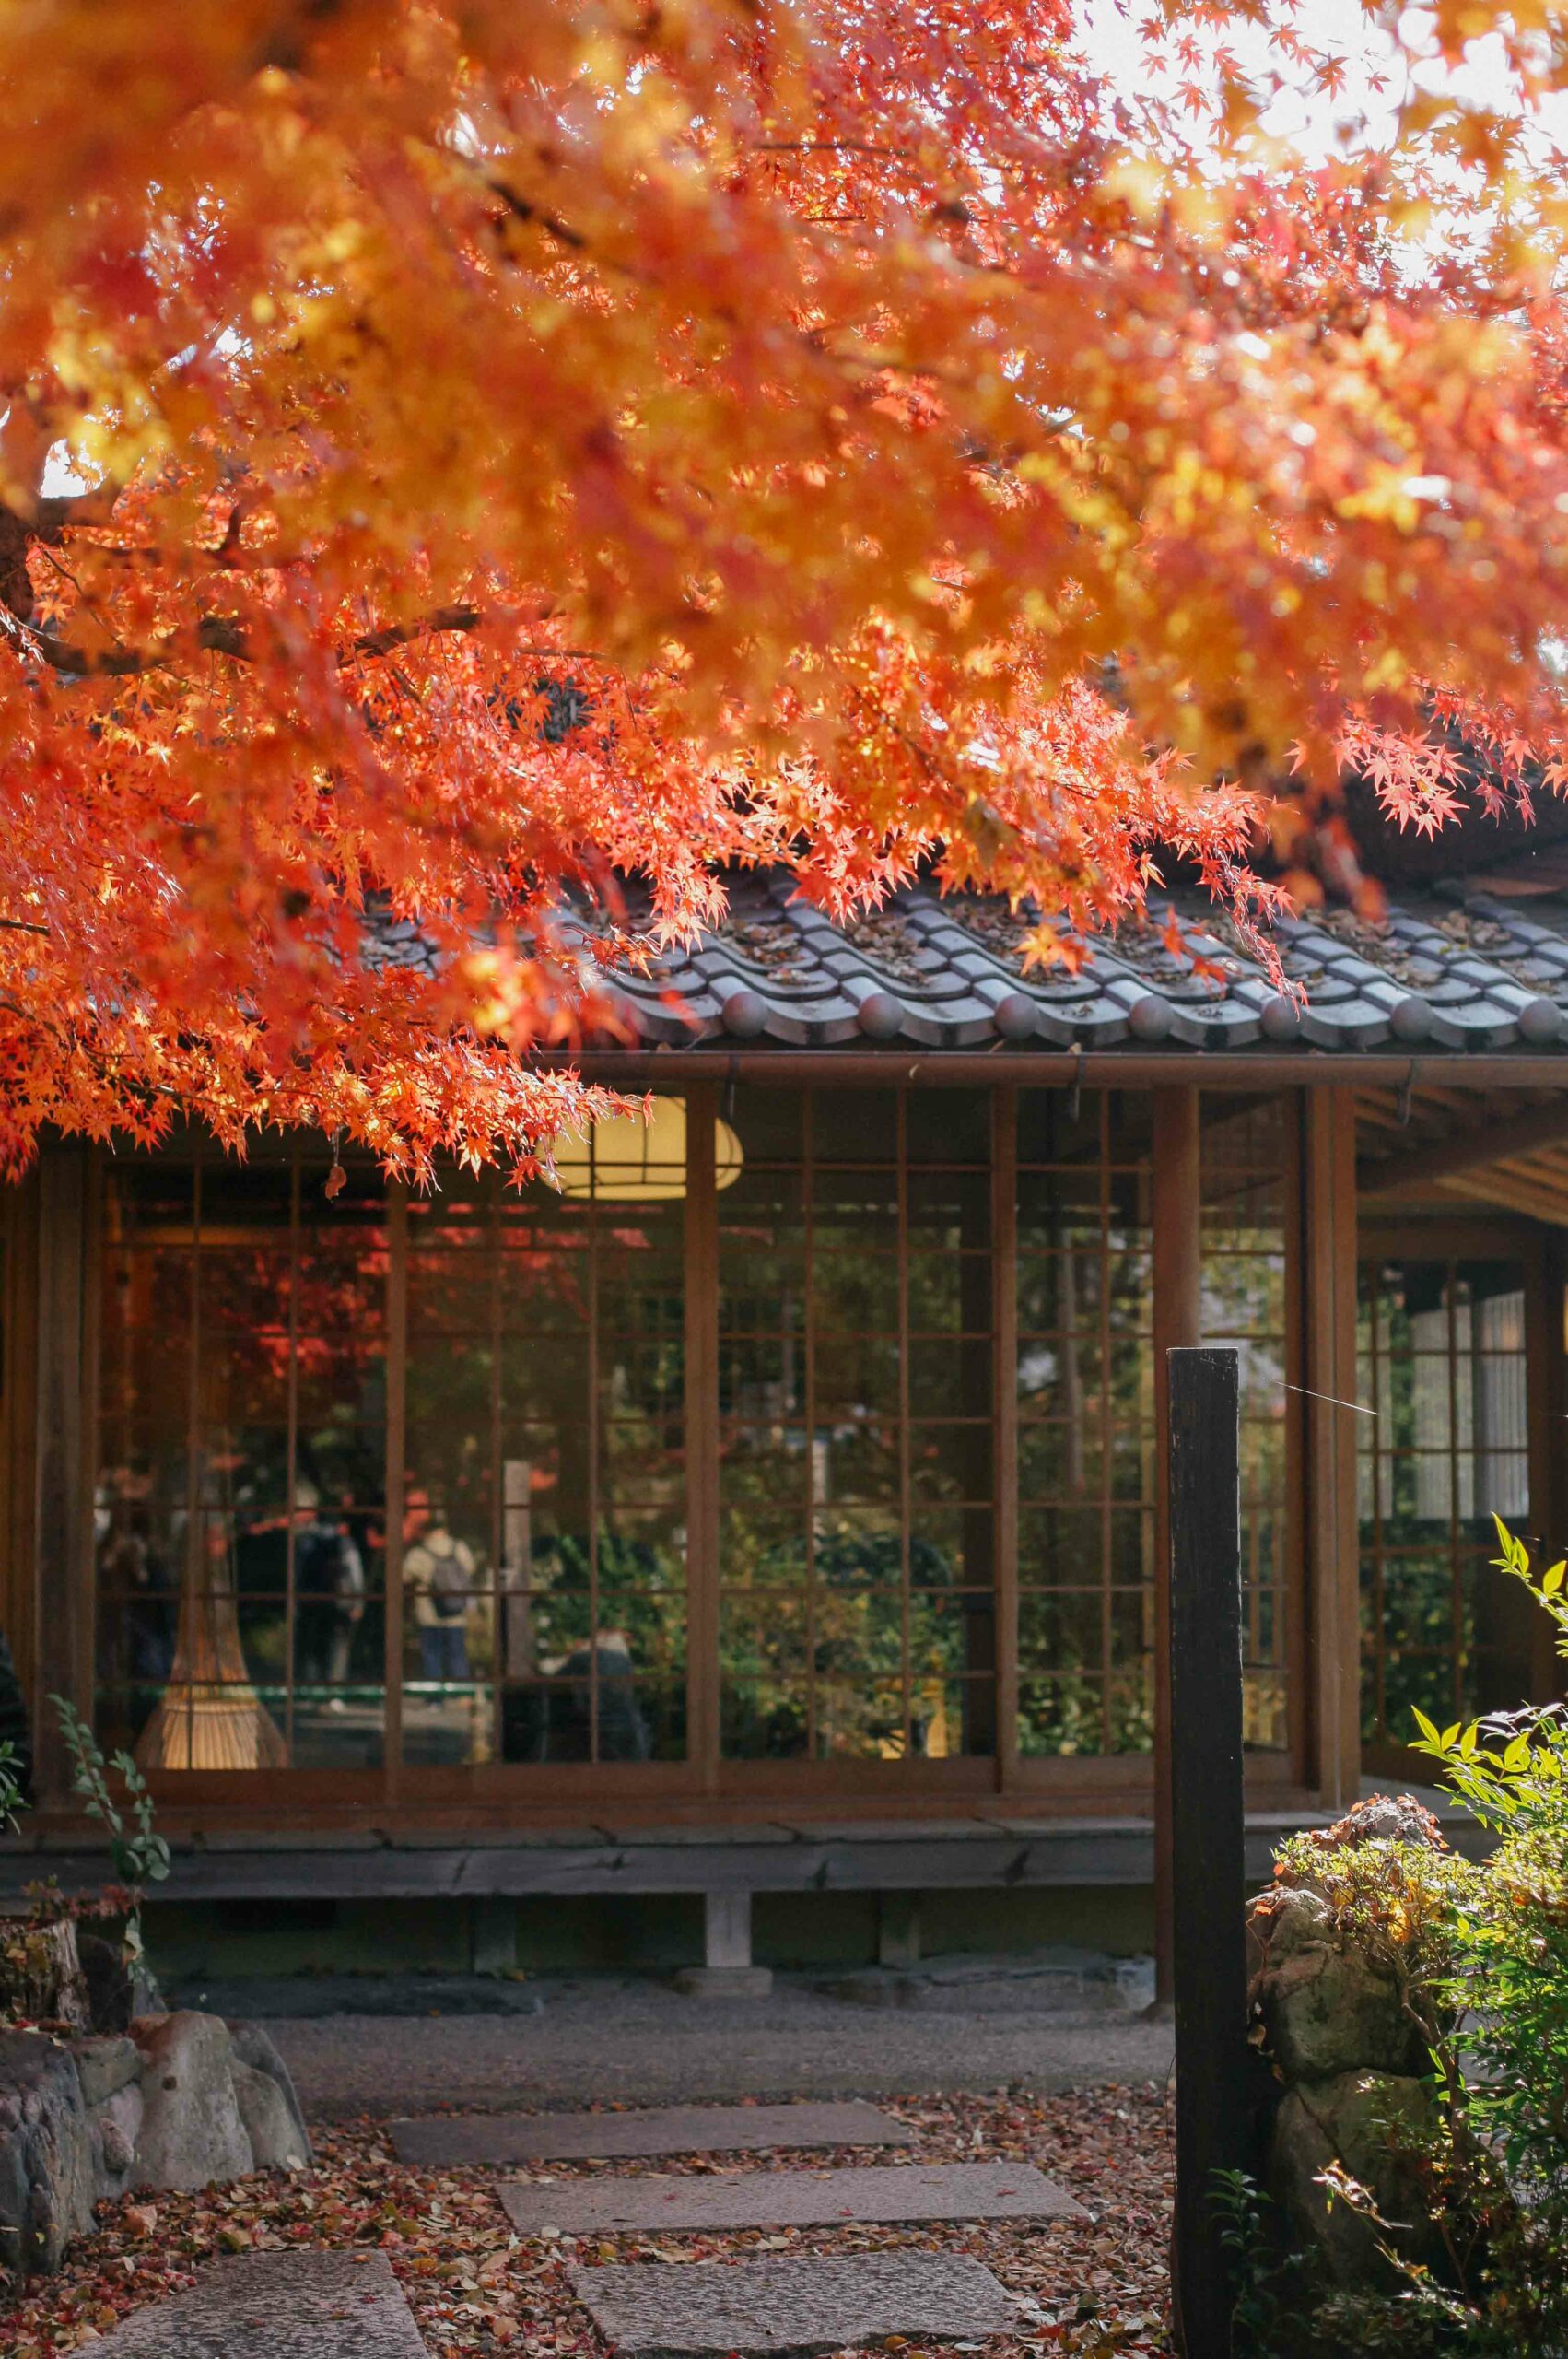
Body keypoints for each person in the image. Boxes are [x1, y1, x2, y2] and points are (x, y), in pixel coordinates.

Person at [295, 1485, 367, 1703]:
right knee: (337, 1647)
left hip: (312, 1600)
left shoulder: (306, 1541)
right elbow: (355, 1573)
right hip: (339, 1602)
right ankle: (334, 1694)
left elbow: (298, 1573)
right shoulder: (344, 1543)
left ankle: (311, 1692)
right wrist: (358, 1603)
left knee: (312, 1647)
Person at [403, 1491, 474, 1684]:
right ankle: (462, 1695)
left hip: (428, 1613)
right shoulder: (459, 1547)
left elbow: (404, 1576)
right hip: (455, 1613)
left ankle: (435, 1698)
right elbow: (469, 1569)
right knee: (457, 1653)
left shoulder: (419, 1552)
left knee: (431, 1654)